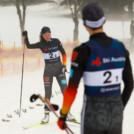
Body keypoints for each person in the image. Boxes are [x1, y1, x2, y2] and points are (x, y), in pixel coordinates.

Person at [57, 2, 134, 134]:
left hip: (93, 115)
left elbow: (71, 89)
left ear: (85, 24)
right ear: (103, 21)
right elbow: (130, 84)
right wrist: (119, 107)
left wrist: (63, 115)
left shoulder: (82, 51)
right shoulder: (120, 48)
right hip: (115, 115)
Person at [22, 26, 75, 124]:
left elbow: (63, 53)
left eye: (49, 34)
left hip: (59, 71)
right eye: (45, 35)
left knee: (65, 91)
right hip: (48, 72)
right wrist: (26, 36)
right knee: (48, 93)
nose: (48, 36)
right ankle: (46, 116)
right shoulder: (41, 44)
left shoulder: (56, 41)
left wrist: (64, 66)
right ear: (42, 35)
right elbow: (29, 46)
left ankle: (68, 114)